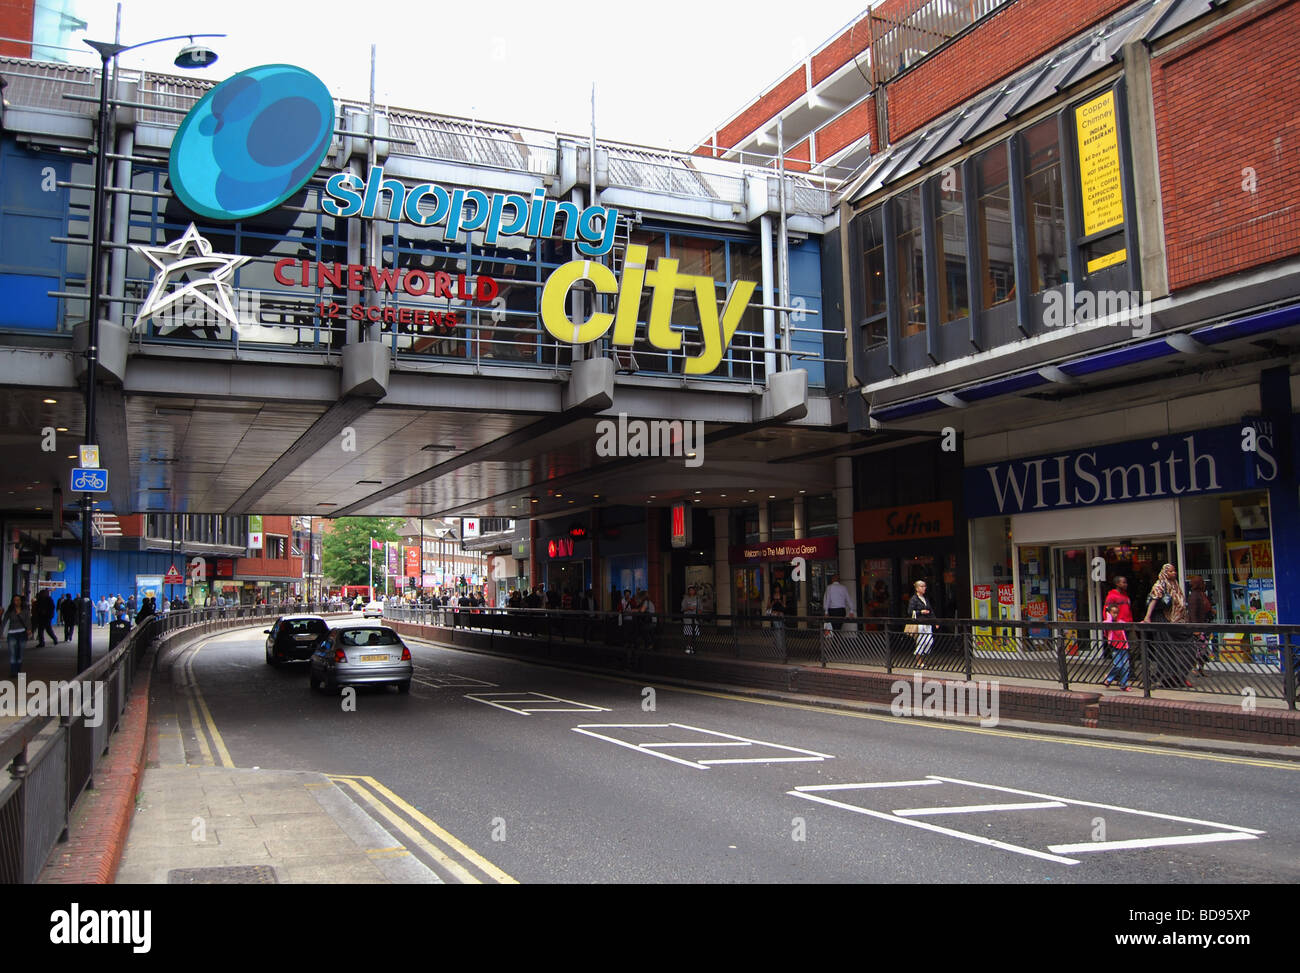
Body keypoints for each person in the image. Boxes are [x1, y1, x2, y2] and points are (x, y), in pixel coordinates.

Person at [1143, 562, 1191, 688]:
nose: (1174, 573)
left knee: (1186, 648)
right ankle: (1167, 677)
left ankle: (1178, 676)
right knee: (1166, 650)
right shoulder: (1160, 584)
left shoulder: (1175, 585)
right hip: (1164, 620)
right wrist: (1147, 617)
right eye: (1170, 571)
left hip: (1178, 622)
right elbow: (1154, 599)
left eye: (1174, 571)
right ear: (1165, 572)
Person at [1185, 574, 1215, 676]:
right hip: (1198, 627)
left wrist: (1211, 610)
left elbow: (1205, 606)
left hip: (1204, 625)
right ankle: (1194, 668)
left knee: (1203, 650)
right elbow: (1192, 613)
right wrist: (1195, 628)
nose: (1204, 584)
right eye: (1202, 582)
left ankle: (1201, 669)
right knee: (1196, 650)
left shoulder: (1201, 594)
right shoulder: (1194, 596)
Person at [1102, 602, 1131, 690]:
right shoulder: (1107, 622)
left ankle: (1124, 684)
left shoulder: (1120, 622)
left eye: (1117, 613)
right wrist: (1108, 615)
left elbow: (1128, 625)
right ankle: (1108, 678)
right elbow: (1107, 624)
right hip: (1114, 646)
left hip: (1123, 646)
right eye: (1113, 613)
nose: (1115, 615)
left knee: (1125, 666)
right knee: (1118, 665)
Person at [3, 595, 32, 677]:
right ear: (13, 601)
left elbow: (28, 621)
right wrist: (1, 632)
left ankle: (18, 669)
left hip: (22, 634)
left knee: (20, 654)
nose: (17, 602)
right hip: (12, 633)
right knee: (13, 653)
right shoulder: (10, 611)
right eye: (15, 600)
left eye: (18, 600)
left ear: (21, 601)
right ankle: (13, 672)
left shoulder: (25, 611)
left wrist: (29, 630)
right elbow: (4, 621)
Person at [907, 579, 934, 668]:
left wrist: (935, 621)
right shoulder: (914, 599)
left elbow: (931, 610)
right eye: (922, 586)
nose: (924, 588)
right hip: (920, 623)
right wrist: (920, 612)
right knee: (921, 641)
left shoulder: (925, 598)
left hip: (927, 622)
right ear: (917, 588)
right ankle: (919, 661)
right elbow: (910, 611)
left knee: (929, 641)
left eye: (924, 586)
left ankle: (922, 657)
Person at [681, 584, 702, 654]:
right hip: (687, 619)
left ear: (694, 591)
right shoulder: (685, 598)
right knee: (688, 634)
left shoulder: (697, 598)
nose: (691, 591)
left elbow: (700, 608)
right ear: (688, 591)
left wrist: (698, 613)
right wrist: (689, 608)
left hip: (695, 619)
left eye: (692, 590)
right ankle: (688, 647)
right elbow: (682, 609)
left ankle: (694, 647)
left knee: (695, 634)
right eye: (690, 590)